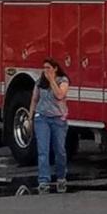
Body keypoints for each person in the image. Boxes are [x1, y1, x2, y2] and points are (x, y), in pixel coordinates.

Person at [31, 59, 71, 193]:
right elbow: (34, 99)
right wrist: (30, 117)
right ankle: (43, 180)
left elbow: (60, 95)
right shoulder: (39, 82)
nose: (45, 70)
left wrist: (52, 80)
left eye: (48, 68)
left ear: (55, 69)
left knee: (60, 150)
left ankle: (61, 177)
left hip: (58, 119)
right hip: (42, 118)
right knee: (43, 150)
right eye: (44, 68)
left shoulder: (63, 81)